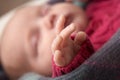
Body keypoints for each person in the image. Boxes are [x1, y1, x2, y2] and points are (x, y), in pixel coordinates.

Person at [0, 0, 91, 80]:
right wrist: (72, 62)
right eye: (36, 40)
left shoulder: (91, 6)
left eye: (45, 11)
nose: (49, 19)